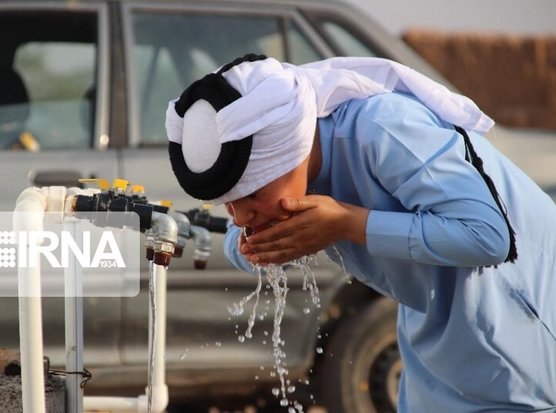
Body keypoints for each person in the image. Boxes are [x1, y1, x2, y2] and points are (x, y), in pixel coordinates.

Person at [165, 53, 556, 412]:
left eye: (251, 195)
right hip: (434, 351)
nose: (239, 215)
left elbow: (488, 236)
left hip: (520, 334)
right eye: (228, 204)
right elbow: (243, 245)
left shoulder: (382, 129)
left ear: (289, 151)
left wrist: (349, 223)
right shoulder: (296, 176)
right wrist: (257, 245)